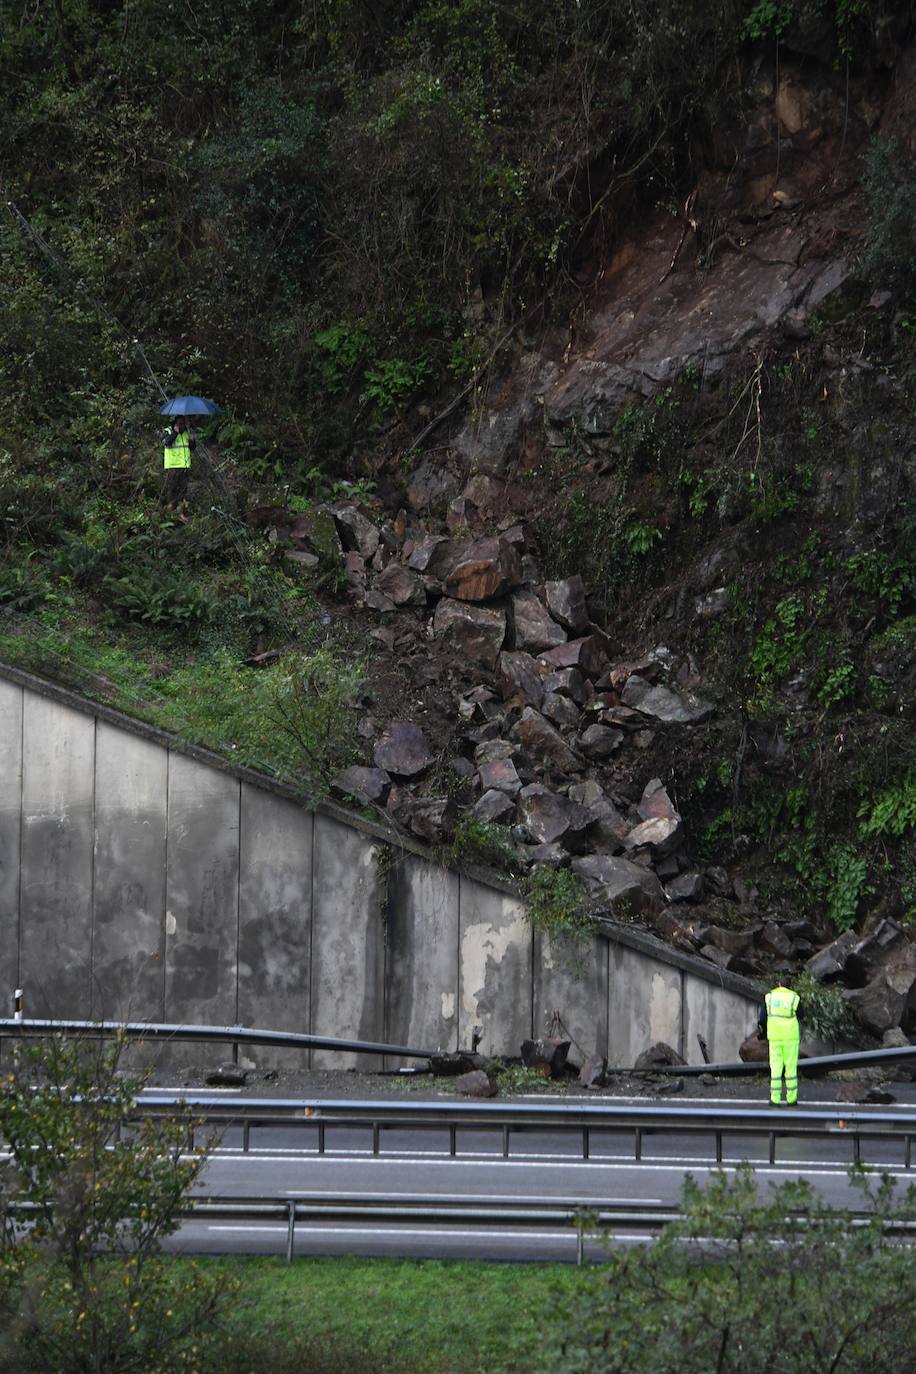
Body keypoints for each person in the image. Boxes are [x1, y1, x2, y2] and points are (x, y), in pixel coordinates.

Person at [758, 983, 801, 1106]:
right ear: (789, 986)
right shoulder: (794, 998)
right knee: (791, 1068)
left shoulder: (769, 997)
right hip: (791, 1038)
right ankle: (791, 1099)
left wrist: (763, 1032)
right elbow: (802, 1015)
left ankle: (775, 1099)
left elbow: (762, 1018)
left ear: (779, 984)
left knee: (776, 1068)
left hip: (775, 1037)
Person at [161, 415, 196, 514]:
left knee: (183, 490)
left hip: (184, 466)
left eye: (183, 424)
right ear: (175, 423)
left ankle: (181, 512)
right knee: (171, 489)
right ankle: (170, 511)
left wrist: (192, 439)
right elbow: (166, 442)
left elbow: (192, 448)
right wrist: (175, 432)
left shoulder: (186, 433)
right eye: (179, 424)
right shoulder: (167, 431)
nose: (182, 426)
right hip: (173, 466)